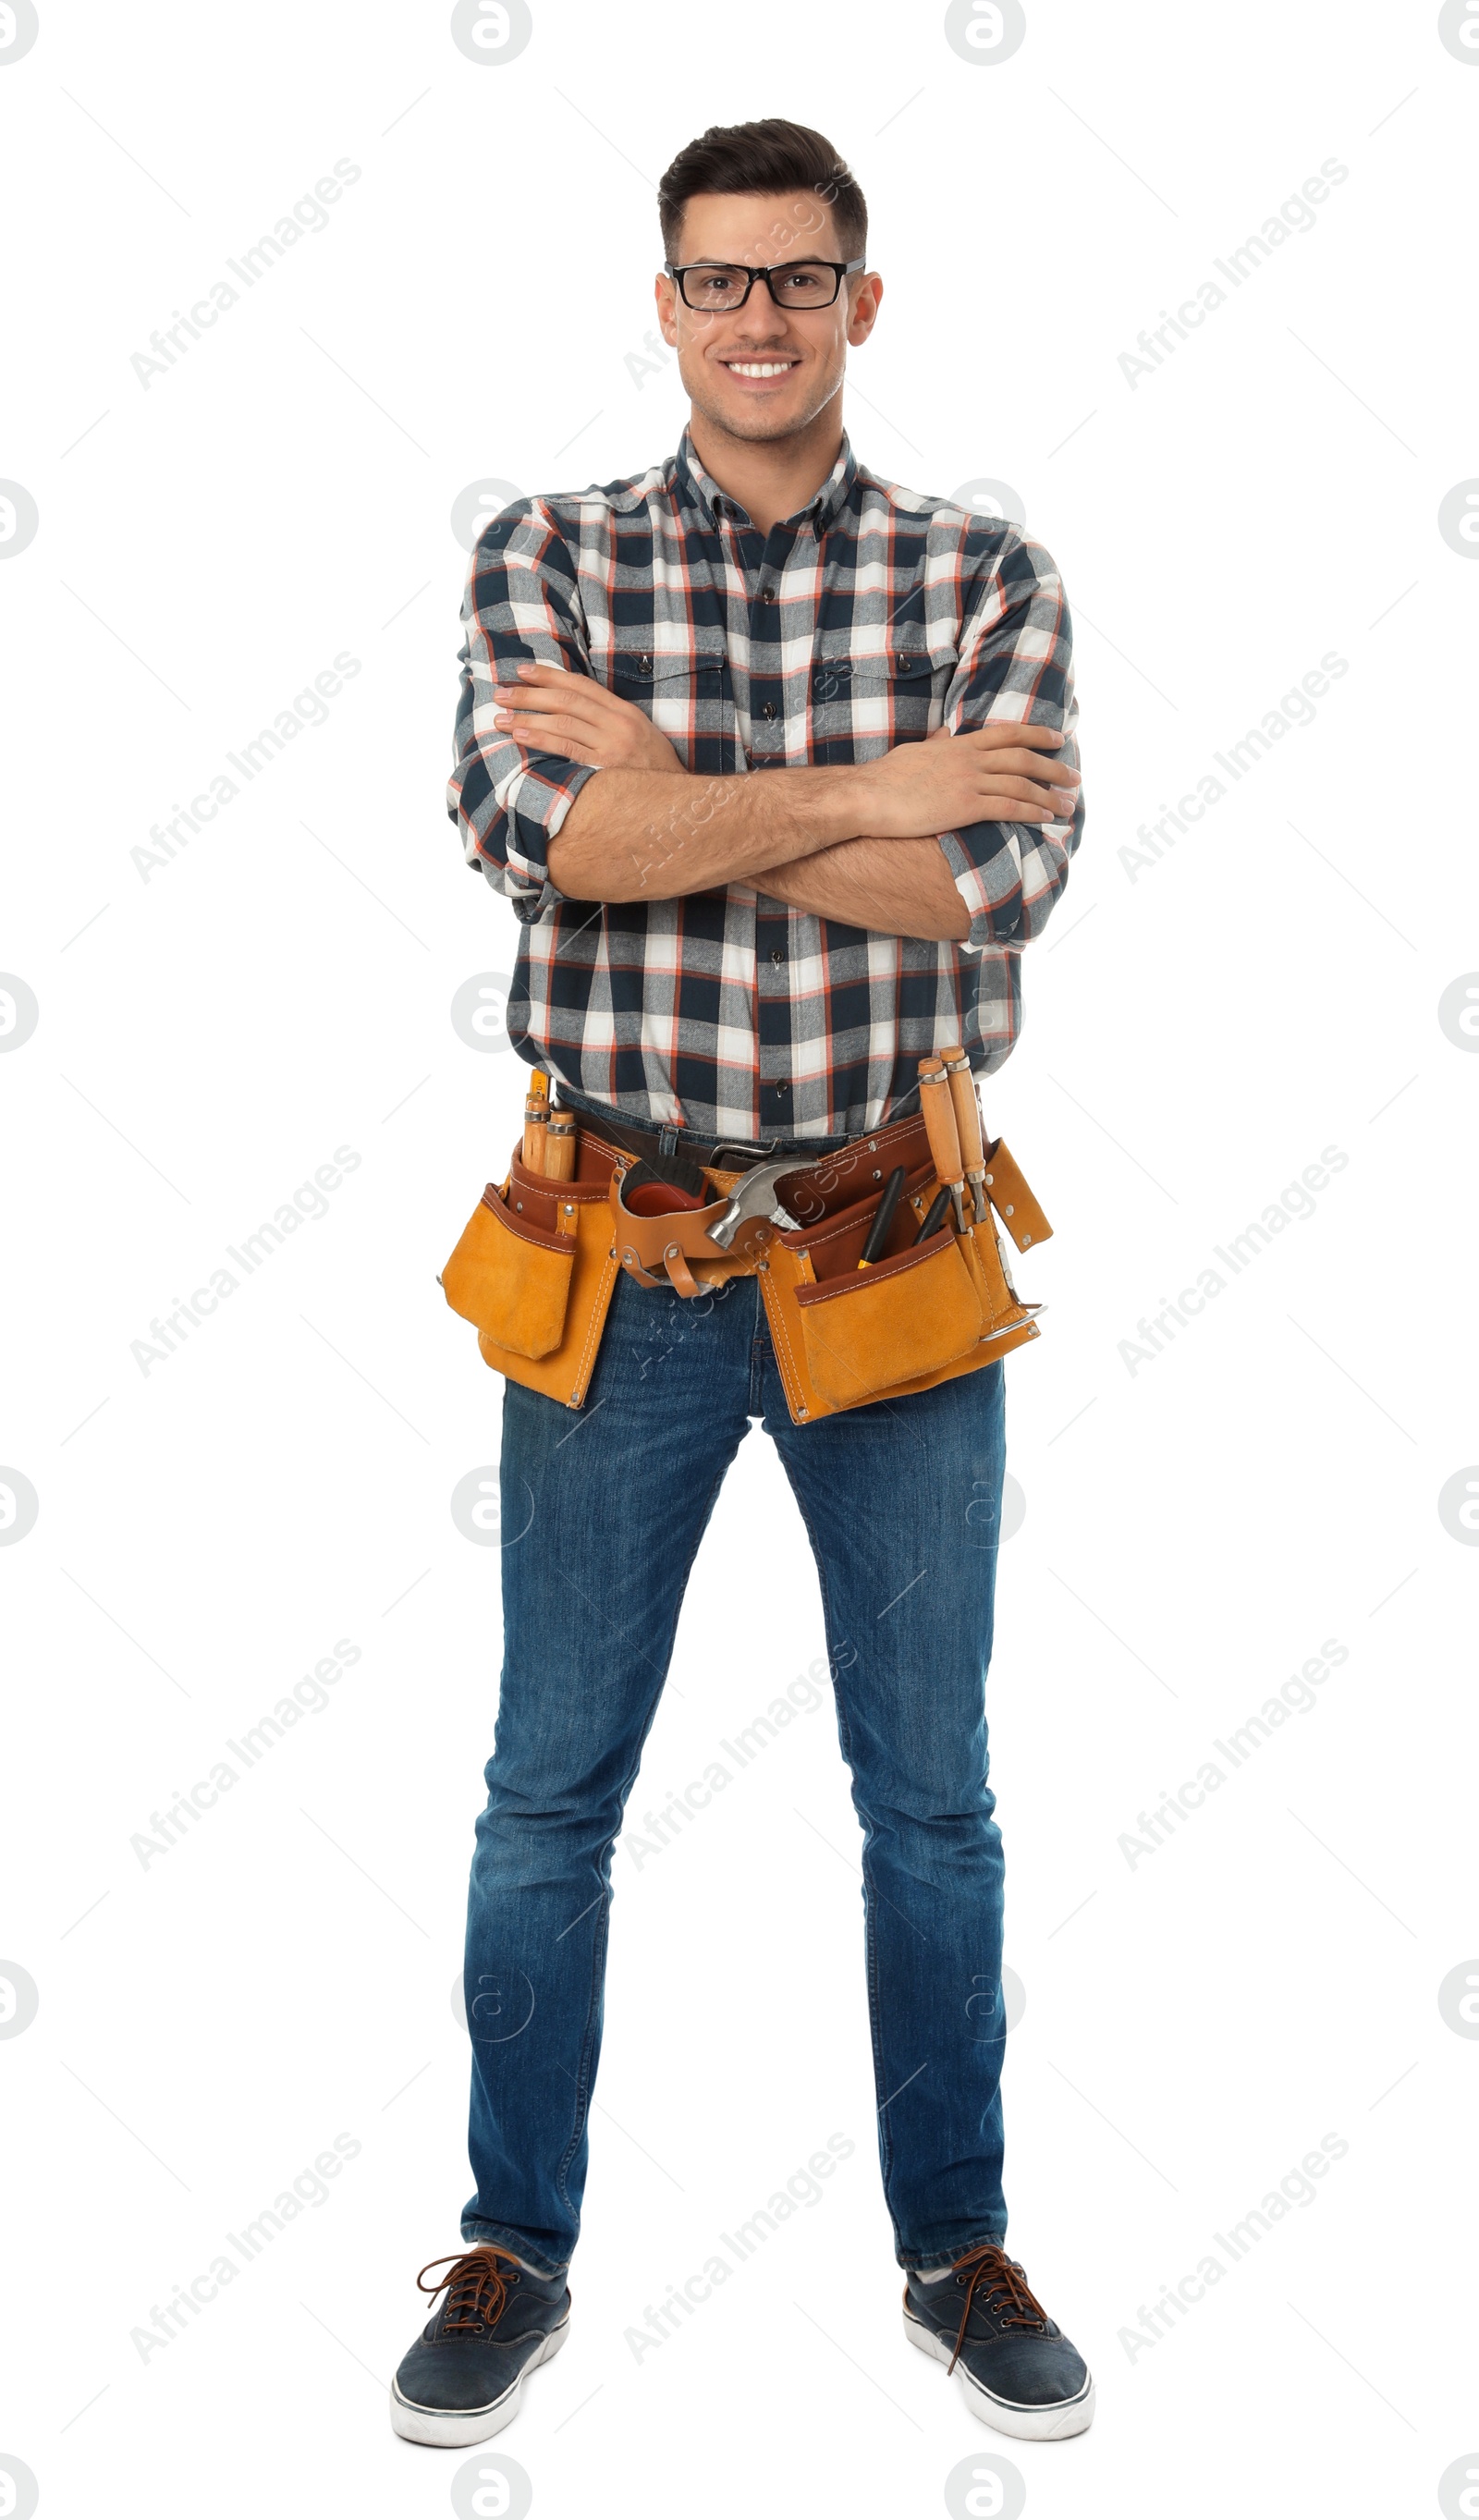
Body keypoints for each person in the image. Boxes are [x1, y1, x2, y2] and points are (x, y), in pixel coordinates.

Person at [391, 116, 1092, 2451]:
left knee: (935, 1801)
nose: (760, 320)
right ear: (665, 304)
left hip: (891, 1253)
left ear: (860, 305)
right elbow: (546, 842)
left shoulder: (983, 564)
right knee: (545, 1793)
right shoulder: (545, 557)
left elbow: (989, 893)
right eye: (718, 283)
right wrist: (869, 786)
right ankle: (513, 2243)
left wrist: (687, 790)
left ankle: (954, 2247)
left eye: (800, 280)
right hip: (622, 1255)